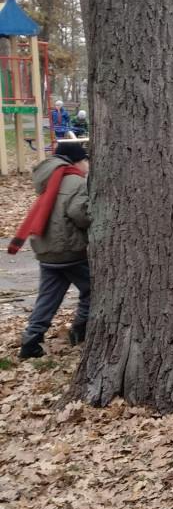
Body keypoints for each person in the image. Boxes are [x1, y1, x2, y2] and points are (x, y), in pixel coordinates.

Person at [9, 141, 91, 358]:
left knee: (48, 297)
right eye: (85, 160)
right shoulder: (75, 180)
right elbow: (80, 215)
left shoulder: (47, 178)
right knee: (93, 289)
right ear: (76, 161)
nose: (88, 165)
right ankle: (80, 331)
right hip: (70, 249)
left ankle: (31, 341)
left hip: (46, 249)